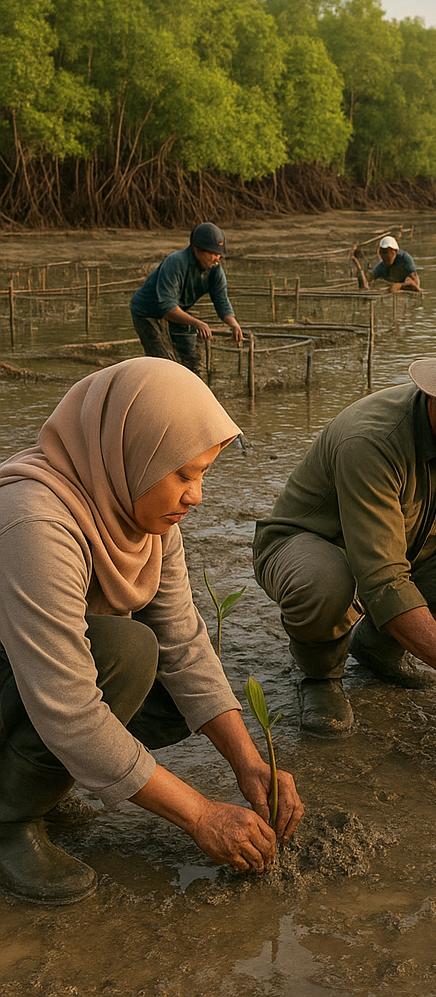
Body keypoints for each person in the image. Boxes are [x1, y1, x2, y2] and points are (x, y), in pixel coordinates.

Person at [0, 358, 302, 906]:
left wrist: (247, 760)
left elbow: (183, 641)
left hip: (29, 679)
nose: (197, 496)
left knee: (162, 670)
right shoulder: (35, 522)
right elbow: (66, 705)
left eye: (203, 473)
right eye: (183, 474)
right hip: (26, 678)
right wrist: (201, 815)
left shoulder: (139, 513)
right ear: (130, 452)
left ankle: (44, 777)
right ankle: (9, 819)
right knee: (126, 652)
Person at [253, 322, 436, 746]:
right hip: (309, 549)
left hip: (406, 553)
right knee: (327, 583)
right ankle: (320, 675)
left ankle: (376, 645)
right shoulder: (371, 440)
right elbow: (382, 579)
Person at [130, 222, 244, 374]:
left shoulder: (215, 270)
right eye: (213, 253)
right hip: (148, 312)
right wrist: (197, 323)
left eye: (219, 254)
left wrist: (234, 324)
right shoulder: (176, 262)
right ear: (197, 250)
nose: (217, 258)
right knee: (165, 362)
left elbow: (221, 300)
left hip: (177, 312)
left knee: (191, 358)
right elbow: (167, 307)